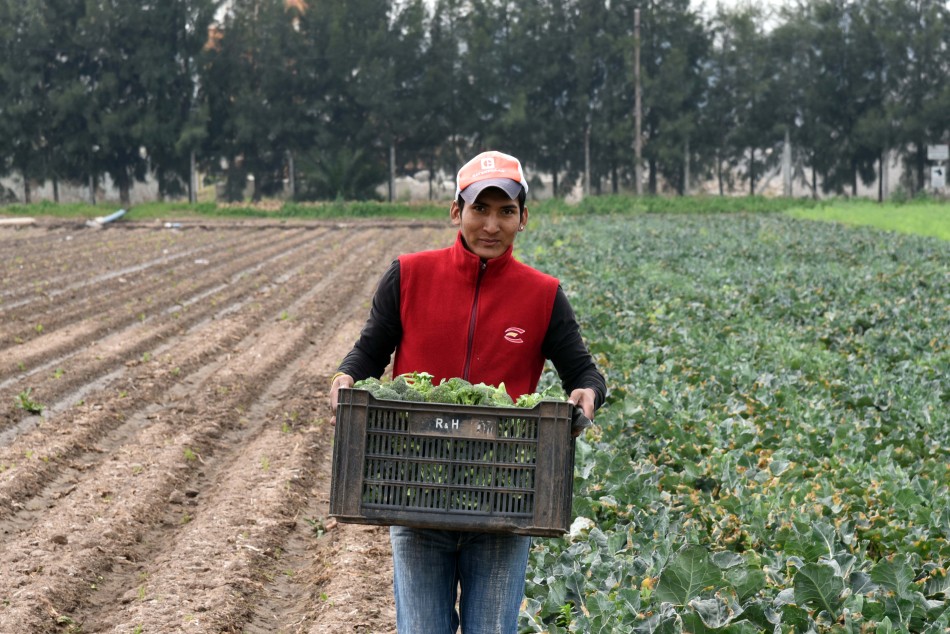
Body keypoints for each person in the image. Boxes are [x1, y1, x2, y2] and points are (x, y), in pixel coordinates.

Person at [328, 150, 606, 634]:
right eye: (480, 208)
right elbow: (368, 353)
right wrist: (344, 379)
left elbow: (582, 370)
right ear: (457, 211)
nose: (492, 225)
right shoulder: (409, 275)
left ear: (524, 218)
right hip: (415, 493)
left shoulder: (543, 294)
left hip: (504, 501)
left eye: (506, 211)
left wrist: (587, 393)